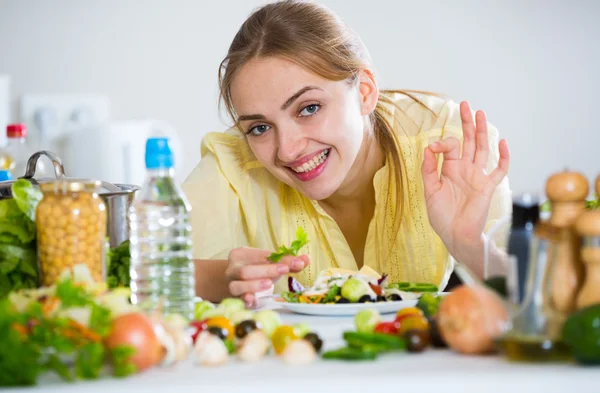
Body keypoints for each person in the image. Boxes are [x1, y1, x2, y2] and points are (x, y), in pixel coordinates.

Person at [182, 0, 512, 307]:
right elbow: (143, 275)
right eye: (259, 128)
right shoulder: (234, 162)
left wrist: (470, 245)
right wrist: (223, 279)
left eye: (308, 108)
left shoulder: (449, 146)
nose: (288, 149)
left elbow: (534, 303)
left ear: (365, 92)